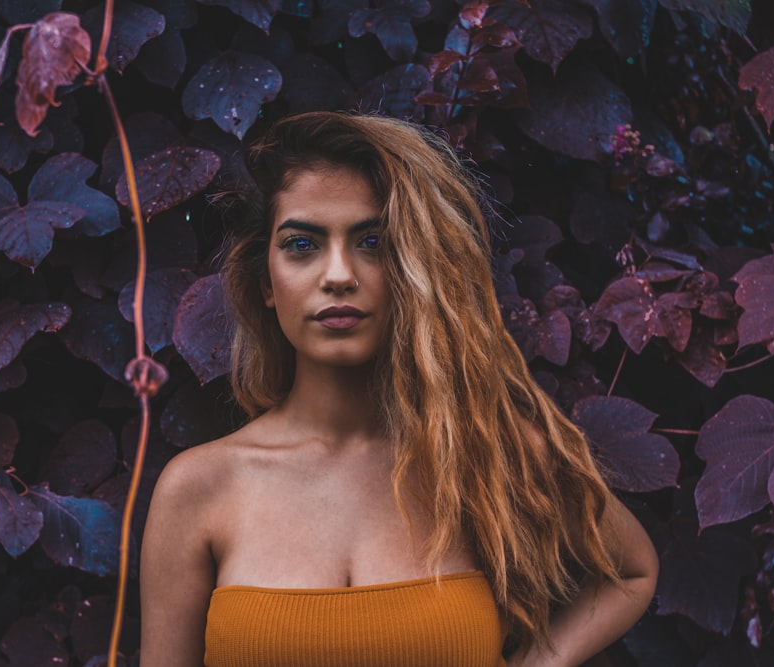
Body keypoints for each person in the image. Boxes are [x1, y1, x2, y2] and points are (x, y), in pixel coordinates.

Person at [138, 112, 659, 666]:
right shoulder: (199, 489)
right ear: (267, 283)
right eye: (301, 244)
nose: (338, 275)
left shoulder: (486, 458)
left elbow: (633, 570)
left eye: (372, 242)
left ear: (415, 268)